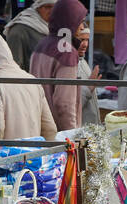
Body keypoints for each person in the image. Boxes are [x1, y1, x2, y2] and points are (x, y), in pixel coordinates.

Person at [0, 31, 56, 140]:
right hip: (33, 154)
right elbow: (50, 128)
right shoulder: (31, 79)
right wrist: (46, 153)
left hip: (7, 155)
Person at [30, 0, 86, 131]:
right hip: (58, 134)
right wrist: (71, 136)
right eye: (79, 21)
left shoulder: (42, 44)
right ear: (70, 21)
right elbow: (64, 104)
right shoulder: (67, 52)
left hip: (39, 126)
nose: (82, 26)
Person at [4, 0, 56, 72]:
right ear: (37, 8)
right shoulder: (19, 30)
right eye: (47, 7)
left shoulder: (56, 28)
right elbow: (14, 67)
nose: (52, 11)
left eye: (56, 7)